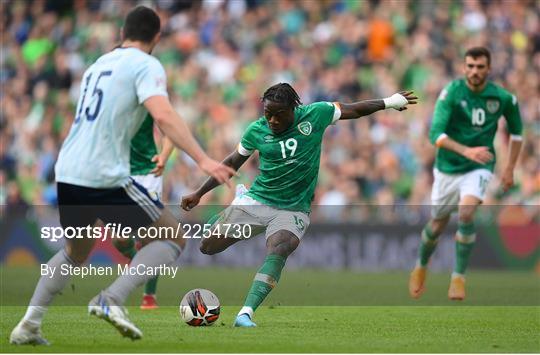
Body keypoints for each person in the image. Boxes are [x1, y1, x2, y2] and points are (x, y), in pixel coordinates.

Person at [10, 6, 234, 345]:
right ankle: (111, 299)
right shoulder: (146, 65)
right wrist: (202, 159)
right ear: (157, 38)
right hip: (103, 173)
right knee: (173, 237)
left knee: (76, 250)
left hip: (68, 169)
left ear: (121, 34)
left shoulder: (97, 65)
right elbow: (163, 114)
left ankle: (29, 324)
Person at [181, 83, 417, 327]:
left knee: (280, 247)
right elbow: (232, 162)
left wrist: (390, 101)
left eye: (279, 114)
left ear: (293, 108)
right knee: (207, 246)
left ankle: (245, 313)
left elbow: (354, 110)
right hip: (257, 201)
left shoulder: (316, 114)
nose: (272, 120)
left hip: (293, 208)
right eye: (267, 113)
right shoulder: (256, 131)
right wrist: (199, 193)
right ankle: (226, 214)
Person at [408, 47, 523, 301]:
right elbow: (435, 134)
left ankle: (458, 277)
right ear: (464, 67)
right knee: (437, 224)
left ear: (488, 69)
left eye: (480, 67)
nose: (474, 71)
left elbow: (517, 134)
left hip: (479, 166)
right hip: (448, 167)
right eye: (470, 66)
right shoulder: (451, 93)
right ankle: (421, 265)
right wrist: (466, 151)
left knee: (467, 211)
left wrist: (510, 168)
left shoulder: (502, 98)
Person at [112, 113, 174, 310]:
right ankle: (135, 259)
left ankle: (149, 295)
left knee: (151, 238)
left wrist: (163, 156)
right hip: (121, 176)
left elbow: (170, 132)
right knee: (119, 239)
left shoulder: (149, 102)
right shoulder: (111, 102)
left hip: (148, 175)